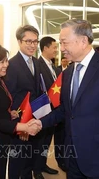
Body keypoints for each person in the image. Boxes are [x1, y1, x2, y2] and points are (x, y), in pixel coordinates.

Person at [29, 18, 99, 178]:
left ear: (83, 41)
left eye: (64, 43)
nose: (61, 49)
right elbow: (66, 109)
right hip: (72, 158)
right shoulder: (68, 72)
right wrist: (41, 122)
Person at [0, 43, 41, 179]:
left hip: (1, 138)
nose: (6, 65)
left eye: (6, 61)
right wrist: (22, 126)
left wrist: (9, 113)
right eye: (1, 62)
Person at [4, 25, 43, 179]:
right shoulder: (11, 64)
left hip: (34, 120)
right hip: (20, 121)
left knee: (29, 159)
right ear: (19, 42)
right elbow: (11, 97)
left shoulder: (37, 63)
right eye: (28, 41)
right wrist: (21, 126)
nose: (32, 45)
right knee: (17, 160)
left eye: (35, 41)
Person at [34, 36, 60, 178]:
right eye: (54, 47)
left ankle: (43, 164)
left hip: (53, 111)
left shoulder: (53, 67)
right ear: (45, 48)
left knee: (46, 141)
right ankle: (36, 170)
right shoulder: (38, 65)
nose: (56, 50)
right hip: (42, 111)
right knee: (40, 142)